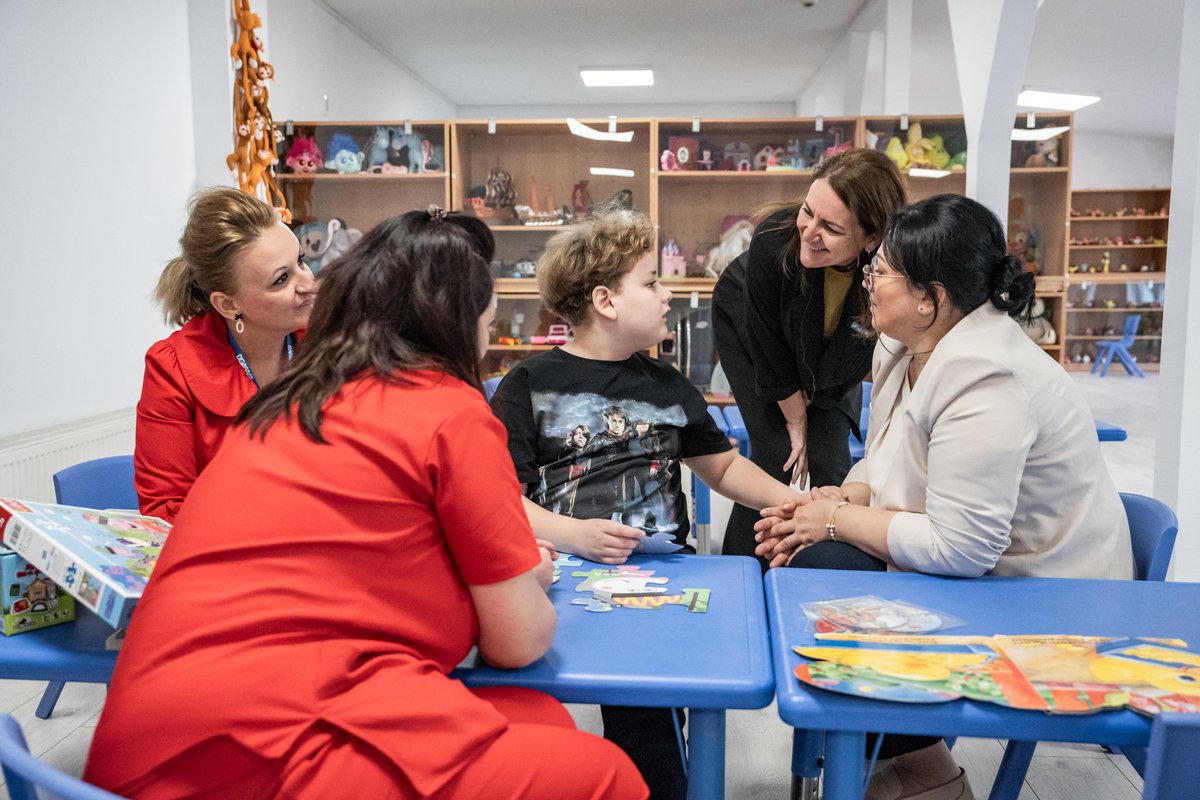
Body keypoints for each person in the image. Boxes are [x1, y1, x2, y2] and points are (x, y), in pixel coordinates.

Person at [85, 209, 647, 800]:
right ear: (456, 327)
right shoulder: (451, 410)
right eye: (485, 325)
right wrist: (526, 574)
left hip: (150, 730)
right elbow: (520, 642)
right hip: (255, 751)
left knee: (537, 718)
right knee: (607, 777)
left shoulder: (286, 403)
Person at [755, 194, 1135, 800]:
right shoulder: (908, 347)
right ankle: (895, 754)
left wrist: (836, 522)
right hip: (982, 562)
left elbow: (963, 548)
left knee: (827, 562)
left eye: (880, 271)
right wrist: (831, 500)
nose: (868, 281)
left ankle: (920, 767)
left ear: (931, 297)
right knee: (807, 550)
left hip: (1044, 592)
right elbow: (887, 461)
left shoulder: (987, 374)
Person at [489, 208, 806, 800]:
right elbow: (498, 499)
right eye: (652, 282)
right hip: (560, 579)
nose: (666, 297)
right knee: (539, 719)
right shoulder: (528, 385)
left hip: (658, 581)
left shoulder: (667, 385)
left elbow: (725, 467)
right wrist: (572, 534)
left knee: (650, 720)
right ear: (607, 300)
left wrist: (795, 501)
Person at [712, 148, 907, 567]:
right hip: (750, 325)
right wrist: (795, 417)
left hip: (829, 358)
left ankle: (817, 571)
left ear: (871, 239)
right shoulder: (773, 241)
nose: (809, 232)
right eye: (807, 212)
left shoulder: (892, 273)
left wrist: (815, 414)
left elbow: (862, 355)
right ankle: (743, 571)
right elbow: (769, 347)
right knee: (777, 452)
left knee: (829, 462)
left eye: (831, 228)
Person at [135, 186, 317, 522]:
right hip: (228, 557)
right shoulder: (173, 369)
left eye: (301, 262)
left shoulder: (329, 343)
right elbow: (167, 511)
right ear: (228, 304)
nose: (308, 283)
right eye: (281, 279)